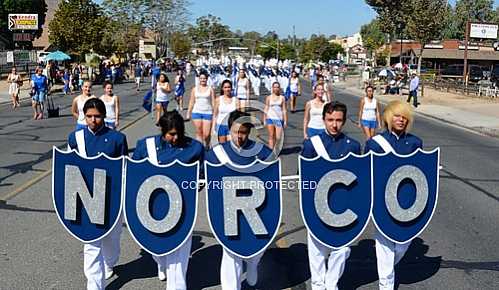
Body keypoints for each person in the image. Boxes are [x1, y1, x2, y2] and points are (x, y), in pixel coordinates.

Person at [132, 110, 204, 289]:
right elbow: (134, 174)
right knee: (157, 248)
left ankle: (177, 286)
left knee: (180, 250)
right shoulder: (145, 146)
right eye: (172, 134)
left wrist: (192, 187)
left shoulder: (195, 148)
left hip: (183, 208)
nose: (176, 137)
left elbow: (202, 176)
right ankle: (160, 262)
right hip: (153, 206)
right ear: (162, 131)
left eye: (179, 132)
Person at [205, 110, 273, 290]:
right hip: (228, 211)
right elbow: (204, 179)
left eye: (243, 132)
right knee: (230, 252)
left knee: (256, 248)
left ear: (249, 131)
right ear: (229, 130)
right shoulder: (215, 154)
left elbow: (273, 177)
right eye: (236, 132)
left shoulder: (262, 152)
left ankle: (252, 264)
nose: (239, 136)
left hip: (255, 210)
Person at [67, 98, 128, 290]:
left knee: (112, 240)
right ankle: (94, 286)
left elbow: (125, 169)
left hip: (112, 197)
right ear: (84, 116)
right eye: (89, 116)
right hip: (87, 198)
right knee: (91, 244)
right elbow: (69, 168)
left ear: (104, 116)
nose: (93, 120)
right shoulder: (74, 138)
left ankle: (110, 262)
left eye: (97, 116)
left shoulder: (118, 139)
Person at [301, 101, 361, 290]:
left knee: (343, 249)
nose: (334, 124)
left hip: (343, 206)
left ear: (343, 121)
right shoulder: (312, 145)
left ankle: (332, 283)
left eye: (338, 120)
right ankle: (318, 285)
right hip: (317, 204)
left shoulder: (353, 146)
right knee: (317, 250)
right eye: (330, 120)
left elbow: (360, 180)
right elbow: (304, 177)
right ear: (324, 119)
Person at [364, 100, 422, 290]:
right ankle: (386, 284)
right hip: (381, 201)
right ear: (388, 117)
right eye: (397, 115)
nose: (401, 119)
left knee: (403, 243)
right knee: (385, 247)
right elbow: (367, 174)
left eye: (404, 116)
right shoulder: (374, 143)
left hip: (407, 202)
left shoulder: (415, 143)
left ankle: (387, 269)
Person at [187, 71, 215, 147]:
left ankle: (207, 145)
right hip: (196, 112)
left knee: (206, 134)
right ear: (199, 79)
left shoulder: (210, 89)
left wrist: (215, 114)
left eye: (204, 78)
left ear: (207, 79)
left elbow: (213, 103)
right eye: (201, 78)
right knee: (199, 132)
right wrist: (188, 112)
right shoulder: (194, 89)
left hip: (208, 113)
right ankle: (199, 149)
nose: (203, 80)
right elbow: (191, 101)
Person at [212, 80, 239, 144]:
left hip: (231, 126)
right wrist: (213, 128)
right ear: (222, 88)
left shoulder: (236, 100)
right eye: (225, 87)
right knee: (223, 145)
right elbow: (215, 115)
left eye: (229, 87)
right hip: (220, 125)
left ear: (231, 88)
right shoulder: (218, 100)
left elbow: (238, 116)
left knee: (231, 145)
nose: (227, 89)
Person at [265, 82, 288, 149]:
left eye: (277, 87)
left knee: (278, 137)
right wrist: (264, 119)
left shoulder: (282, 98)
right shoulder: (269, 98)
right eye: (274, 87)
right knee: (271, 135)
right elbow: (266, 108)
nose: (276, 88)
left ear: (279, 88)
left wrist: (285, 120)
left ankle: (276, 148)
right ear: (272, 88)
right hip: (270, 118)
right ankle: (271, 151)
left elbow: (284, 110)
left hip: (279, 119)